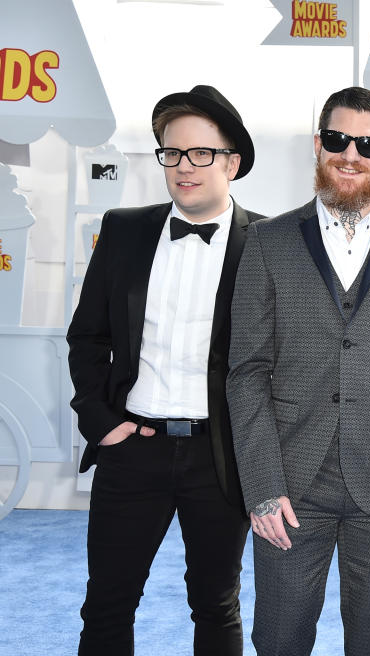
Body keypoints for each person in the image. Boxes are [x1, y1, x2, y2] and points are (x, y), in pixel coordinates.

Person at [226, 86, 370, 656]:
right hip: (289, 483)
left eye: (368, 144)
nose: (351, 154)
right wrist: (262, 487)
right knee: (278, 638)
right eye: (338, 139)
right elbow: (246, 371)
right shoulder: (267, 242)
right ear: (318, 145)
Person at [67, 84, 260, 655]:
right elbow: (87, 336)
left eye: (200, 153)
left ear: (232, 162)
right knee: (107, 601)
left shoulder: (269, 244)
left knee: (216, 601)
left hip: (220, 456)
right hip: (133, 447)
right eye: (171, 153)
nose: (183, 167)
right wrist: (101, 422)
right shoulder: (124, 230)